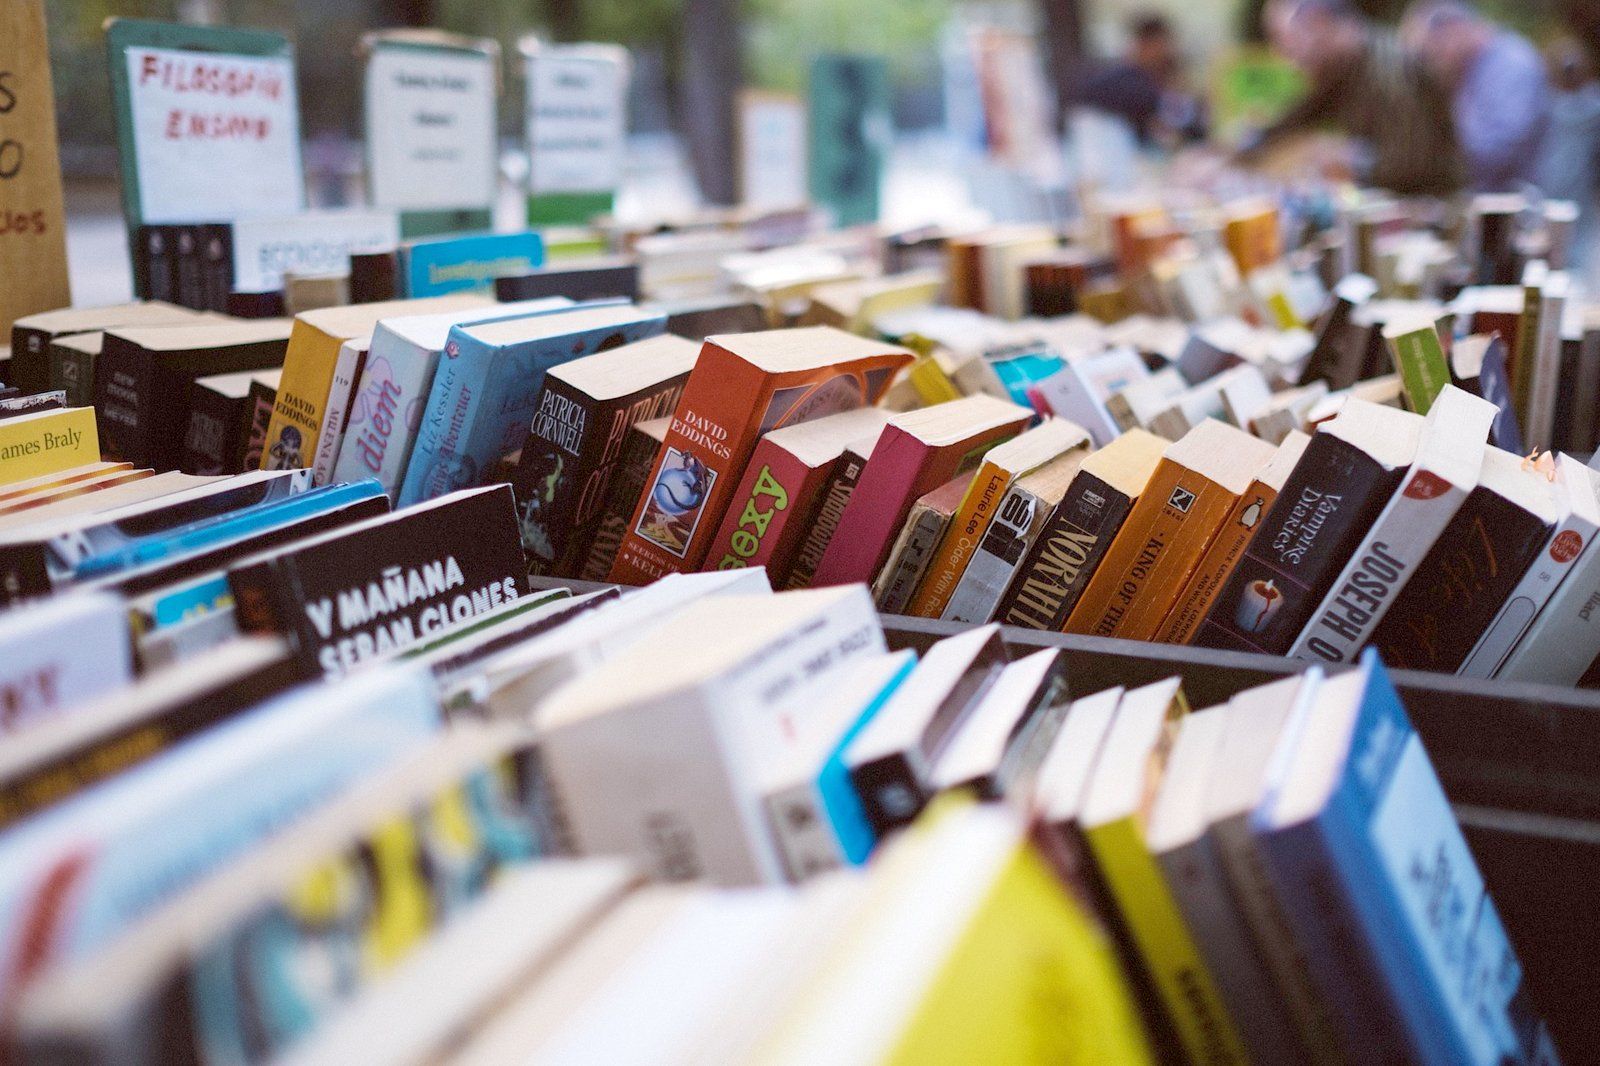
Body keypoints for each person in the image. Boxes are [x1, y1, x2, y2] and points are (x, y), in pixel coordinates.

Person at [1243, 0, 1464, 195]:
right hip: (1398, 211)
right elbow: (1299, 115)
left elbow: (1408, 164)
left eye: (1284, 38)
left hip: (1434, 216)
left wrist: (1346, 160)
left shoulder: (1388, 71)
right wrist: (1240, 150)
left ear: (1319, 24)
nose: (1282, 54)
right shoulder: (1341, 68)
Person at [1402, 0, 1552, 192]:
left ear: (1453, 30)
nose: (1432, 64)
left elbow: (1499, 151)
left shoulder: (1512, 64)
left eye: (1432, 53)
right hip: (1488, 197)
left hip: (1521, 200)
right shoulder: (1470, 68)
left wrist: (1431, 156)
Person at [1075, 14, 1207, 147]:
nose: (1167, 51)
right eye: (1160, 44)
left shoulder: (1152, 80)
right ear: (1144, 44)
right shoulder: (1122, 81)